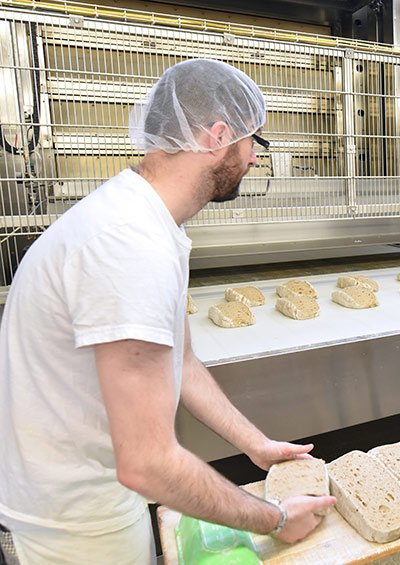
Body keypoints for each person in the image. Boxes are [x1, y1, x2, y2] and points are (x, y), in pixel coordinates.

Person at [0, 59, 336, 564]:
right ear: (217, 137)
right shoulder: (128, 246)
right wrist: (278, 519)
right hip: (77, 521)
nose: (252, 160)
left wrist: (257, 445)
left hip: (95, 490)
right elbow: (148, 464)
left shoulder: (150, 223)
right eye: (254, 143)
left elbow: (181, 362)